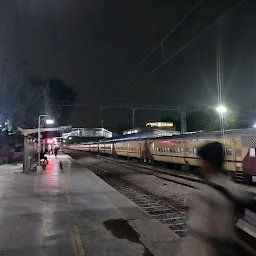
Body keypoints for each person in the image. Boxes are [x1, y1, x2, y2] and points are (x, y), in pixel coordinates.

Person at [179, 141, 252, 256]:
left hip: (206, 249)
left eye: (203, 161)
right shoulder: (233, 188)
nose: (201, 165)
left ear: (208, 164)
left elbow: (199, 230)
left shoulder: (209, 193)